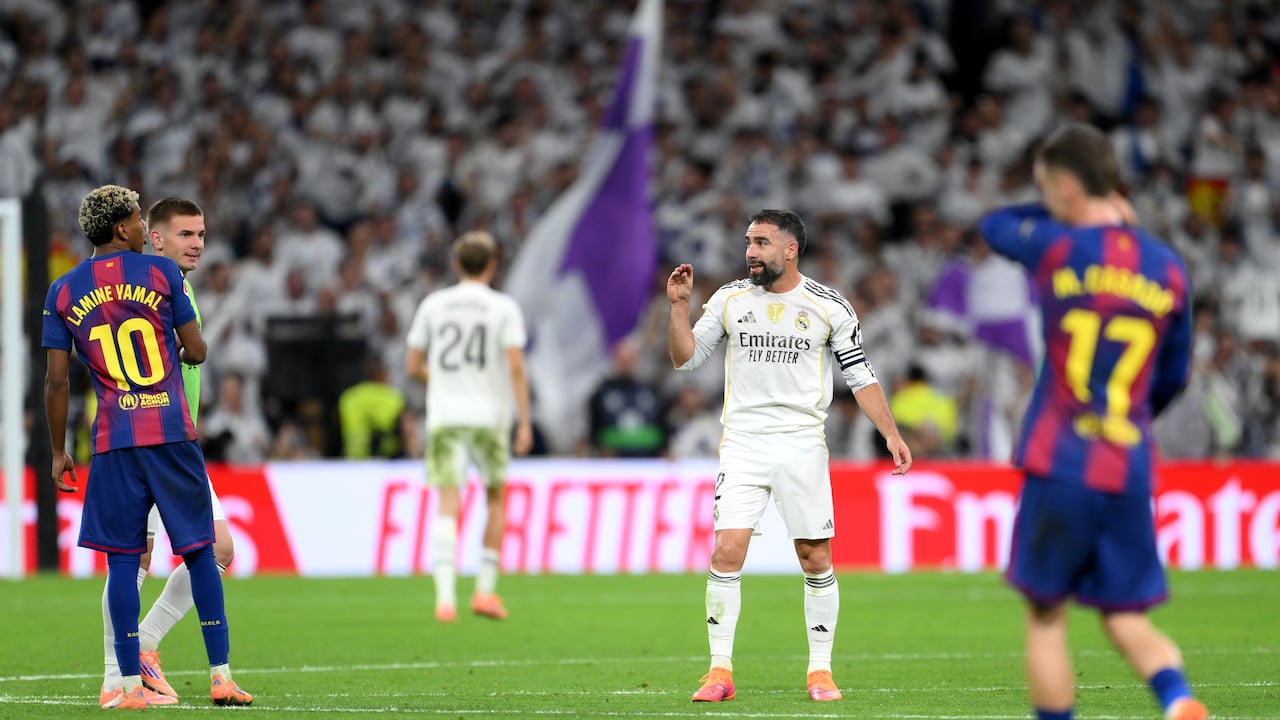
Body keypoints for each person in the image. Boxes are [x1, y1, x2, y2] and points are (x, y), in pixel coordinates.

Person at [979, 124, 1207, 720]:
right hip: (1128, 462)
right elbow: (1175, 373)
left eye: (1048, 188)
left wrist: (1049, 204)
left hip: (1061, 459)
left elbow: (994, 225)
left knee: (1047, 617)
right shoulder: (1169, 268)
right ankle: (1177, 698)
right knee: (1126, 614)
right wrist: (1130, 415)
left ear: (1063, 188)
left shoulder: (1055, 246)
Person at [667, 209, 913, 703]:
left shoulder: (829, 306)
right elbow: (685, 359)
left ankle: (820, 671)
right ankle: (719, 671)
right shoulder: (730, 298)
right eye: (748, 242)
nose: (750, 252)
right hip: (743, 441)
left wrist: (890, 433)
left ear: (790, 249)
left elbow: (860, 376)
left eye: (760, 242)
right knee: (726, 550)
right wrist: (677, 307)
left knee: (814, 555)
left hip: (802, 442)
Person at [42, 185, 251, 709]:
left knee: (140, 558)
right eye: (186, 234)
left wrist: (57, 447)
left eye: (201, 234)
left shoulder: (66, 290)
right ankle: (131, 675)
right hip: (166, 433)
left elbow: (56, 380)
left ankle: (136, 668)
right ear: (137, 232)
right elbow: (196, 351)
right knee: (180, 554)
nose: (198, 243)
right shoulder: (161, 278)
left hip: (124, 436)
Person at [405, 231, 533, 622]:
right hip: (488, 419)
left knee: (448, 501)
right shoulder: (502, 308)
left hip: (444, 417)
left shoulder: (433, 304)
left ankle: (445, 600)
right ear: (493, 264)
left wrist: (442, 382)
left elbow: (413, 366)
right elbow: (514, 365)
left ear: (457, 264)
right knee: (494, 498)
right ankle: (484, 591)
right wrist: (524, 421)